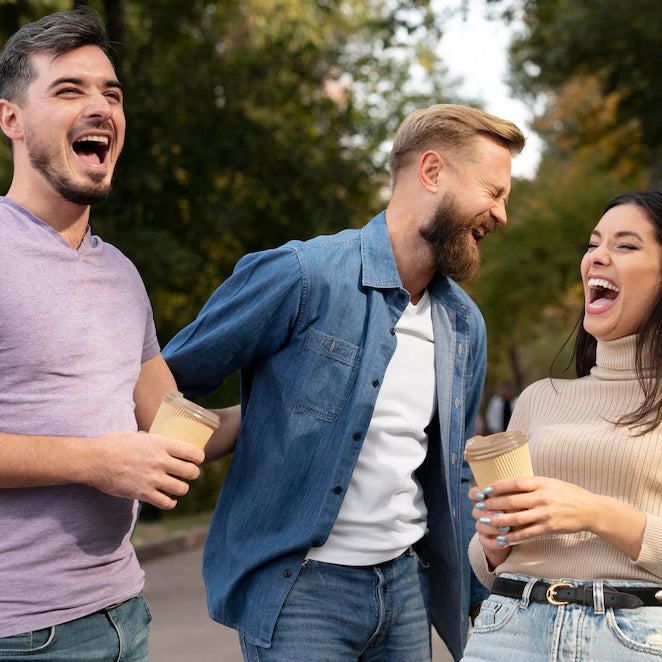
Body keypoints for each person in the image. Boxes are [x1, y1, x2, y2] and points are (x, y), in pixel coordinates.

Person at [163, 104, 525, 662]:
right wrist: (159, 465)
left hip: (405, 587)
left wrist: (477, 598)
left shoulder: (463, 325)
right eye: (493, 191)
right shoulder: (302, 276)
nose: (501, 214)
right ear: (432, 172)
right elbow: (169, 379)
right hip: (302, 592)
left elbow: (453, 469)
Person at [0, 9, 238, 661]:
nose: (100, 106)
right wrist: (95, 461)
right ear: (11, 120)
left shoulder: (121, 273)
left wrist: (293, 401)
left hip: (123, 615)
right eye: (69, 90)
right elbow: (113, 456)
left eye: (111, 93)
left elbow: (169, 424)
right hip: (20, 632)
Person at [462, 190, 662, 661]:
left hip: (632, 639)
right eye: (593, 245)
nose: (598, 257)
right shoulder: (540, 397)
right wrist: (490, 544)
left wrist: (594, 512)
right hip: (509, 626)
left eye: (626, 246)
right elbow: (488, 565)